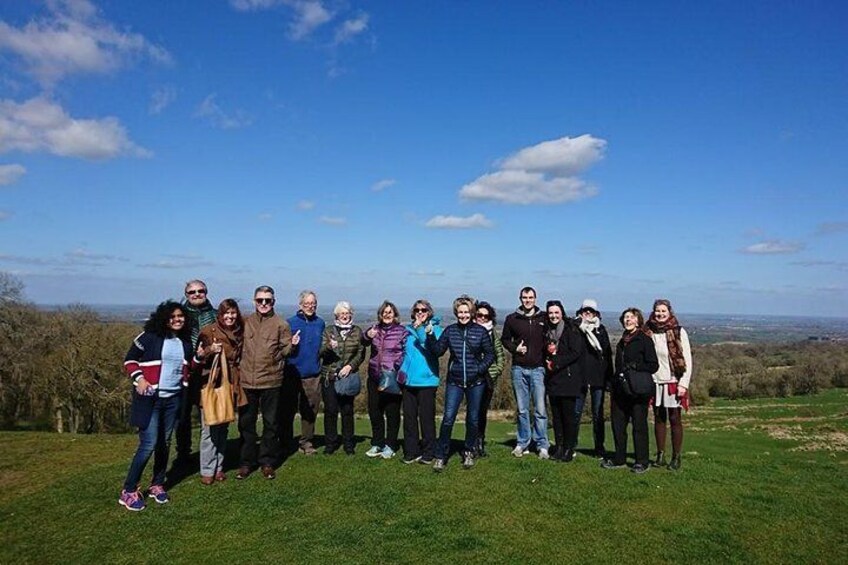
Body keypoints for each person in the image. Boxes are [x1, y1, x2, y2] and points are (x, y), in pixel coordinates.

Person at [119, 301, 195, 511]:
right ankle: (128, 489)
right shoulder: (150, 337)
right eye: (173, 316)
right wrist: (139, 379)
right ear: (164, 318)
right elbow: (130, 360)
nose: (177, 320)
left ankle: (157, 484)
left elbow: (190, 366)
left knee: (165, 443)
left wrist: (203, 355)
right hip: (151, 399)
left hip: (173, 399)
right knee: (149, 444)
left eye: (181, 316)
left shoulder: (185, 342)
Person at [427, 296, 495, 471]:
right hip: (454, 382)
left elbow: (490, 354)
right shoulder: (450, 331)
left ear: (471, 313)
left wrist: (479, 369)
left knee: (472, 420)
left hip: (476, 382)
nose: (463, 315)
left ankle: (469, 452)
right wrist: (429, 335)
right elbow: (438, 350)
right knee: (448, 418)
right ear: (456, 313)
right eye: (460, 312)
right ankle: (441, 455)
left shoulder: (480, 331)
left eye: (466, 312)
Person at [237, 286, 293, 480]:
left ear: (273, 302)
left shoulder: (281, 324)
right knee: (246, 424)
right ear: (254, 301)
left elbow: (287, 352)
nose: (263, 304)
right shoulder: (245, 322)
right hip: (246, 381)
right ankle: (246, 462)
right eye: (260, 300)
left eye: (267, 300)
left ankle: (267, 462)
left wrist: (293, 345)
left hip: (271, 381)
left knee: (270, 424)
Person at [195, 299, 246, 484]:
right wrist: (209, 350)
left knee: (223, 428)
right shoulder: (209, 331)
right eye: (226, 313)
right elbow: (197, 356)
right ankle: (207, 469)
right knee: (209, 429)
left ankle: (219, 467)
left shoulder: (240, 330)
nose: (230, 316)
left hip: (231, 382)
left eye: (233, 313)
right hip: (212, 384)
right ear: (220, 314)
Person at [602, 307, 659, 474]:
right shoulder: (622, 340)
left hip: (638, 390)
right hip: (621, 389)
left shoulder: (644, 340)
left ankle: (642, 461)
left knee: (639, 426)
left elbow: (653, 365)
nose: (628, 320)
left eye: (631, 317)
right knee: (618, 425)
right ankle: (619, 458)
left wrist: (636, 367)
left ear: (638, 320)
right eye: (625, 318)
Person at [501, 286, 551, 459]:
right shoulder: (512, 318)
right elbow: (505, 339)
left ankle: (542, 444)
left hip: (538, 369)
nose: (527, 300)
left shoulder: (544, 317)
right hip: (519, 369)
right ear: (520, 299)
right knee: (522, 410)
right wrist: (515, 348)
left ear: (535, 299)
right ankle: (522, 443)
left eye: (530, 297)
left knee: (540, 410)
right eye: (524, 297)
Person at [647, 299, 693, 471]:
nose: (660, 314)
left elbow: (687, 360)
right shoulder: (648, 331)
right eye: (657, 311)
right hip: (655, 380)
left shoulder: (679, 332)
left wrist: (684, 383)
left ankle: (676, 456)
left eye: (663, 311)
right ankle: (660, 455)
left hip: (674, 380)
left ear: (669, 312)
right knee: (659, 418)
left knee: (675, 419)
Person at [175, 279, 216, 466]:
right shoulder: (178, 317)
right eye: (192, 292)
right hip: (184, 374)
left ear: (206, 292)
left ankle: (208, 457)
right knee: (182, 418)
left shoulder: (215, 315)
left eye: (201, 291)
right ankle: (183, 455)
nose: (197, 294)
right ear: (186, 295)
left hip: (208, 373)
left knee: (208, 418)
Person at [398, 299, 443, 464]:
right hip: (408, 381)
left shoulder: (435, 330)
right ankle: (411, 451)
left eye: (423, 310)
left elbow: (430, 348)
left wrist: (420, 329)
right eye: (417, 310)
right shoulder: (407, 330)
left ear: (429, 311)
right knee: (409, 418)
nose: (420, 312)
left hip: (427, 381)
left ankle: (428, 452)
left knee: (426, 419)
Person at [362, 301, 407, 459]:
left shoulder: (401, 331)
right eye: (384, 312)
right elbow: (363, 341)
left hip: (391, 377)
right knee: (375, 411)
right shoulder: (375, 329)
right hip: (374, 376)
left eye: (390, 312)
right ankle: (378, 443)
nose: (387, 315)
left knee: (392, 412)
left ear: (395, 315)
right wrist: (368, 335)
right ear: (380, 315)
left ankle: (391, 445)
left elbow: (405, 352)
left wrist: (395, 367)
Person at [282, 290, 326, 455]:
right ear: (300, 305)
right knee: (287, 410)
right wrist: (292, 344)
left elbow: (321, 347)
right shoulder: (289, 323)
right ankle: (285, 441)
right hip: (292, 373)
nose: (310, 306)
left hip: (313, 374)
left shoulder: (320, 323)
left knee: (310, 411)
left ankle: (306, 442)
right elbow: (283, 350)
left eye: (313, 303)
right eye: (307, 303)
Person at [319, 301, 365, 455]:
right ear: (336, 315)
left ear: (351, 314)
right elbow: (321, 353)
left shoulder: (357, 331)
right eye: (341, 313)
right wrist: (329, 347)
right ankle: (330, 444)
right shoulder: (328, 331)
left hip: (348, 376)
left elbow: (360, 352)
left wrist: (350, 366)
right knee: (330, 411)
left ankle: (348, 444)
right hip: (329, 376)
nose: (345, 316)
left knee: (347, 411)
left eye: (347, 313)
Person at [544, 300, 586, 462]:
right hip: (553, 379)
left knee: (568, 417)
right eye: (550, 313)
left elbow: (576, 352)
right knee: (556, 416)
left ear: (561, 313)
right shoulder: (548, 331)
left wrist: (556, 362)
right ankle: (559, 447)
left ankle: (569, 448)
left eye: (556, 312)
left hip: (568, 378)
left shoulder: (571, 330)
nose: (553, 316)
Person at [574, 299, 614, 458]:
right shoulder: (575, 328)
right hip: (579, 377)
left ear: (596, 313)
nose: (588, 313)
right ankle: (572, 444)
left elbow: (607, 354)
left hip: (598, 377)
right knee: (576, 412)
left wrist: (609, 379)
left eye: (591, 311)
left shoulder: (601, 330)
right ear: (581, 312)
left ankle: (599, 447)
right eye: (585, 310)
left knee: (598, 414)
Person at [473, 300, 505, 457]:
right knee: (473, 412)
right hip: (472, 377)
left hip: (488, 378)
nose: (483, 318)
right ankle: (471, 443)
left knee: (482, 412)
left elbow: (500, 354)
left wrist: (496, 371)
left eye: (486, 316)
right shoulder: (469, 331)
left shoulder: (493, 334)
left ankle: (480, 443)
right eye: (479, 315)